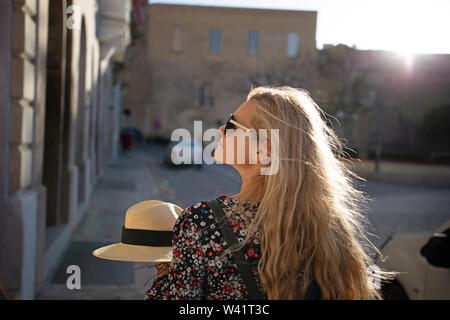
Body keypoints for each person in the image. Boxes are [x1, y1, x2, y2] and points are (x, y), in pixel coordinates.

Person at [145, 85, 395, 300]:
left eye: (232, 124)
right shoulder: (332, 230)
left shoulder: (201, 223)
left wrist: (166, 268)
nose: (221, 130)